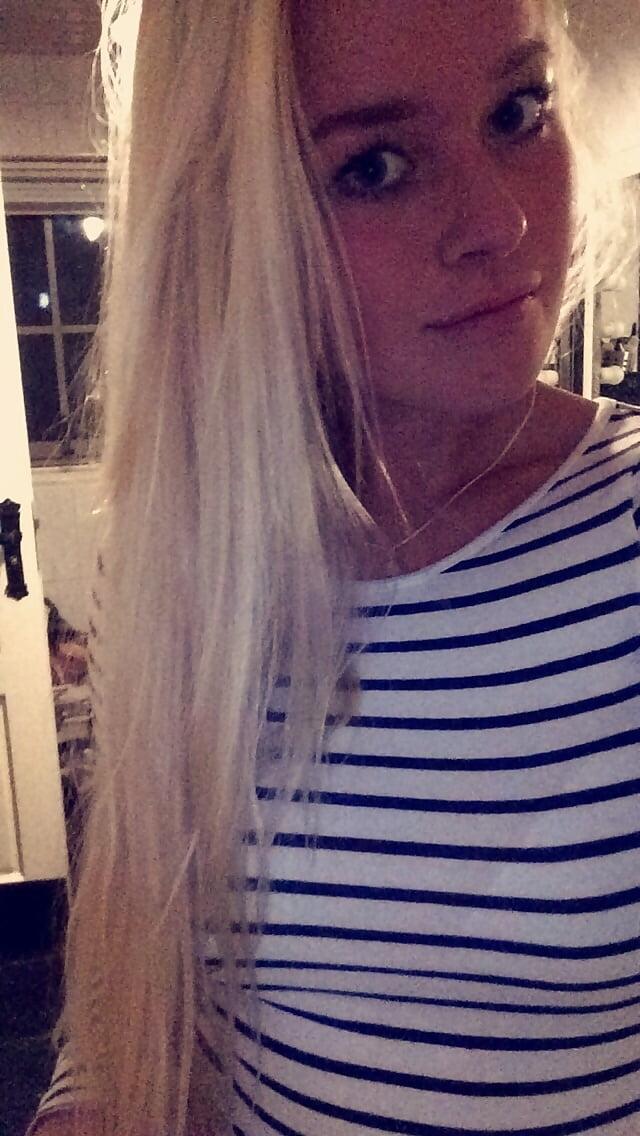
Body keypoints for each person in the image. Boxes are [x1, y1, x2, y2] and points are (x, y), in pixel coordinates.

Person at [27, 1, 640, 1134]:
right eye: (375, 167)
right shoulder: (181, 563)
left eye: (517, 110)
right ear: (229, 223)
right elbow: (143, 986)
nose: (499, 221)